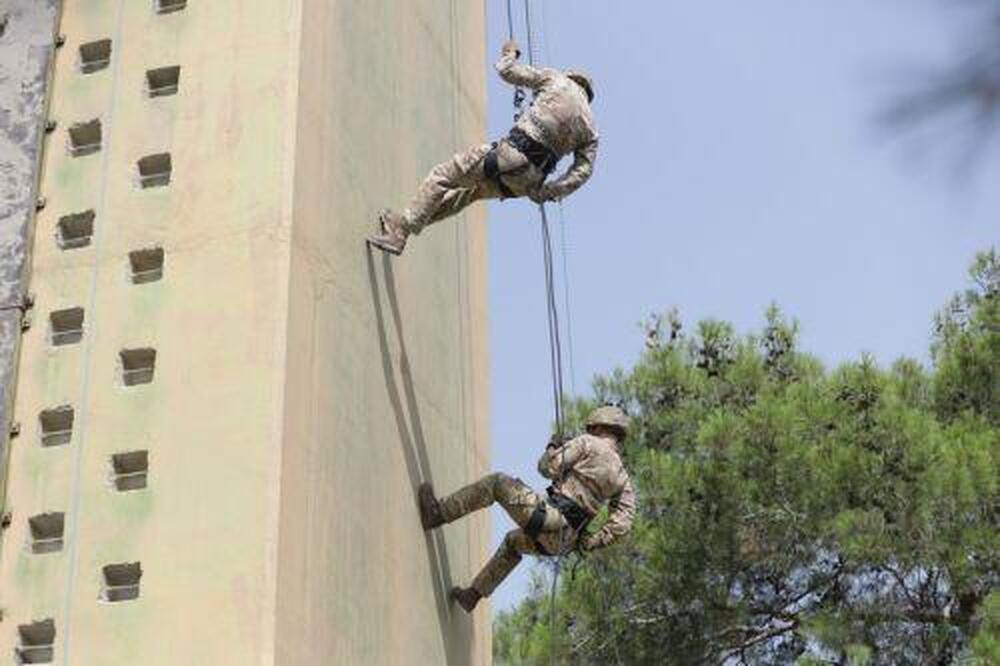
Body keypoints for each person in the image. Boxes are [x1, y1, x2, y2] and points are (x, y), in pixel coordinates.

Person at [368, 38, 599, 255]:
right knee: (467, 195)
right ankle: (404, 226)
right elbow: (583, 172)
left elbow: (506, 71)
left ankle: (401, 231)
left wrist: (510, 53)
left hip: (511, 154)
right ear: (587, 95)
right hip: (525, 183)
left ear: (572, 77)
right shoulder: (590, 129)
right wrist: (548, 191)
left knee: (443, 176)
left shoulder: (557, 80)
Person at [417, 405, 636, 612]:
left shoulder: (588, 443)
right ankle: (472, 595)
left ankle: (437, 514)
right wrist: (591, 542)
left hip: (549, 517)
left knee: (496, 484)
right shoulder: (622, 478)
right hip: (562, 542)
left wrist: (552, 447)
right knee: (513, 543)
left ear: (597, 426)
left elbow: (547, 468)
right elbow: (622, 524)